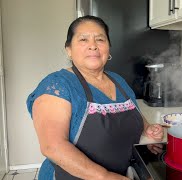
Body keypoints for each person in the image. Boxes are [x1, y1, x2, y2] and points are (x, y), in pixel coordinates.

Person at [26, 15, 164, 180]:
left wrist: (147, 128)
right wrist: (105, 176)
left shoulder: (118, 80)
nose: (93, 46)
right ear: (69, 49)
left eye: (100, 39)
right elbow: (52, 147)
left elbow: (132, 113)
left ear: (108, 48)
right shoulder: (57, 85)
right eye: (83, 39)